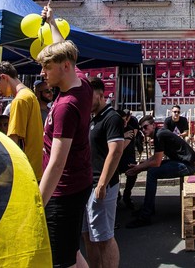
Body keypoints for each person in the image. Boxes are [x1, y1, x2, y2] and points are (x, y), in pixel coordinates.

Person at [36, 7, 92, 268]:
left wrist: (38, 204)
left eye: (47, 67)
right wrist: (51, 22)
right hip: (76, 185)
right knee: (72, 253)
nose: (42, 73)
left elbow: (57, 163)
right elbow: (64, 49)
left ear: (65, 67)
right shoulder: (81, 82)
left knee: (62, 260)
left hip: (64, 191)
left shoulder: (65, 106)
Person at [125, 114, 195, 228]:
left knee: (152, 172)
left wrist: (138, 168)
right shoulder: (159, 134)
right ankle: (148, 209)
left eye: (145, 127)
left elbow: (156, 162)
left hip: (187, 165)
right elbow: (155, 158)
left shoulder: (160, 134)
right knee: (152, 170)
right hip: (182, 163)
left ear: (153, 125)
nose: (143, 130)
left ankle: (146, 215)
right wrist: (140, 165)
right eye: (141, 128)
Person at [82, 79, 124, 268]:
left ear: (100, 94)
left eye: (88, 96)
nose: (85, 101)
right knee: (88, 235)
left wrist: (102, 183)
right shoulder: (93, 118)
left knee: (104, 237)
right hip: (87, 184)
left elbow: (115, 151)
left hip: (101, 185)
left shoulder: (111, 117)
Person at [0, 61, 43, 179]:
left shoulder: (19, 100)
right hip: (35, 168)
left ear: (4, 77)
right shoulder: (30, 94)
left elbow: (13, 141)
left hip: (25, 169)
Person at [117, 109, 141, 211]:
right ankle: (117, 195)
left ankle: (127, 195)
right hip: (116, 159)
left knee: (132, 173)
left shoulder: (130, 130)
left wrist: (122, 137)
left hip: (127, 159)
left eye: (126, 120)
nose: (125, 122)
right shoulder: (114, 129)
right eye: (122, 121)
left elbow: (120, 148)